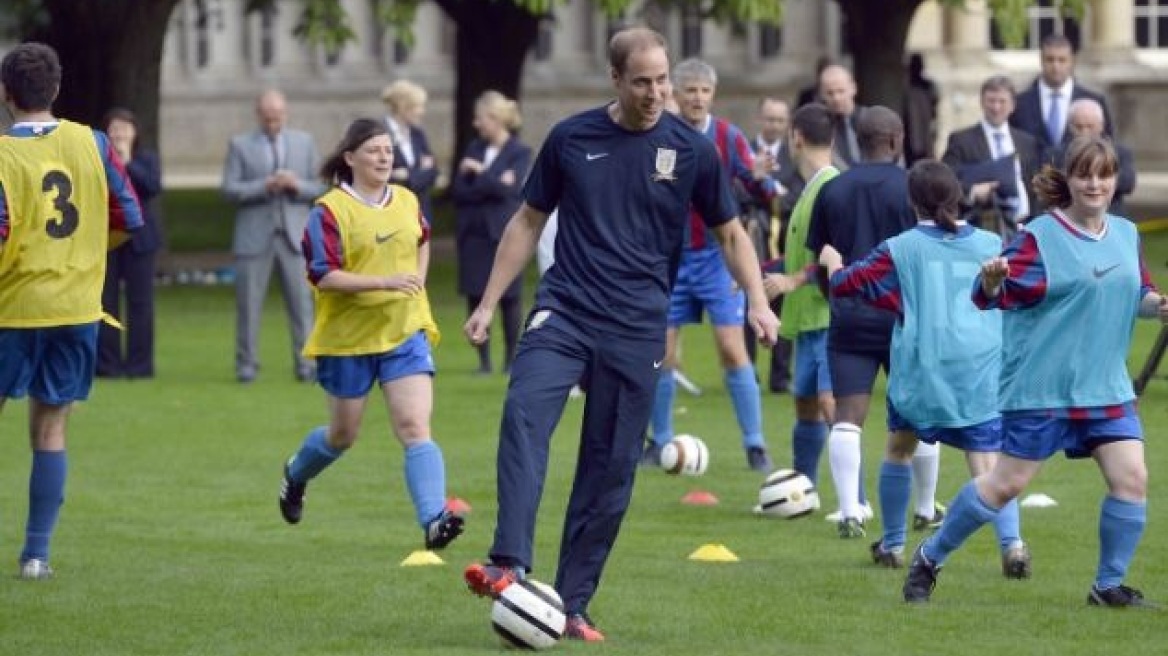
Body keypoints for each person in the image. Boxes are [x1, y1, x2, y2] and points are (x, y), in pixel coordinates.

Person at [460, 27, 779, 641]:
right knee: (525, 412)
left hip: (637, 327)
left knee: (609, 468)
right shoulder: (571, 139)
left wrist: (758, 303)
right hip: (567, 309)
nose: (657, 92)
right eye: (643, 81)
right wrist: (490, 302)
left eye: (662, 80)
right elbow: (527, 221)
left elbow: (732, 234)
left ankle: (573, 603)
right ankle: (508, 563)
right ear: (616, 79)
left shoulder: (691, 151)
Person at [903, 136, 1164, 609]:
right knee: (1005, 485)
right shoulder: (1041, 237)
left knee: (1132, 480)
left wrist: (1158, 306)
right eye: (1085, 174)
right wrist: (991, 281)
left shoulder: (1126, 233)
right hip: (1044, 388)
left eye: (1104, 175)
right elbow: (989, 297)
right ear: (1069, 178)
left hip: (1105, 387)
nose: (1095, 183)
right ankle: (929, 557)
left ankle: (1107, 586)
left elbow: (1138, 293)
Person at [819, 161, 1029, 578]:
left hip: (922, 370)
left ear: (911, 201)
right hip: (977, 370)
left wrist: (832, 263)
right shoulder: (991, 242)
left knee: (899, 448)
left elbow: (848, 286)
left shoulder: (901, 247)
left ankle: (894, 543)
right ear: (958, 196)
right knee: (988, 463)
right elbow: (1017, 293)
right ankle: (1013, 545)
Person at [275, 118, 464, 552]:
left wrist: (414, 280)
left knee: (415, 425)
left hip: (403, 331)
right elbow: (322, 276)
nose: (384, 157)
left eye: (388, 150)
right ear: (350, 158)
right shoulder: (329, 211)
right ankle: (295, 476)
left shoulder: (406, 199)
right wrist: (384, 282)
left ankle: (434, 519)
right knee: (342, 435)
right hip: (348, 340)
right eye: (374, 150)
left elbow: (422, 239)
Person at [0, 42, 143, 579]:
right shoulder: (93, 142)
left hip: (12, 308)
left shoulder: (2, 154)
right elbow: (130, 216)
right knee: (51, 430)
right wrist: (81, 255)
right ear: (56, 89)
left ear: (5, 93)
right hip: (76, 308)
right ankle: (36, 555)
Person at [805, 106, 941, 538]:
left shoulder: (834, 188)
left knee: (848, 413)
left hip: (849, 315)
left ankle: (849, 511)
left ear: (856, 141)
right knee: (919, 410)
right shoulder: (911, 189)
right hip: (905, 316)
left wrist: (840, 300)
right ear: (897, 139)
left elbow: (821, 260)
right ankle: (923, 508)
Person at [644, 58, 779, 473]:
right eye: (690, 90)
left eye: (704, 91)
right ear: (674, 95)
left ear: (712, 95)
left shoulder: (728, 136)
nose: (697, 98)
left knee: (731, 347)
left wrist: (761, 177)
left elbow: (764, 188)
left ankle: (755, 444)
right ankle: (660, 441)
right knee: (662, 352)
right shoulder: (658, 137)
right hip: (669, 260)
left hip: (717, 259)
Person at [221, 89, 325, 383]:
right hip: (254, 236)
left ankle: (307, 365)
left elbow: (320, 187)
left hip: (295, 236)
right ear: (258, 115)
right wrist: (263, 185)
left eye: (277, 118)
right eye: (267, 118)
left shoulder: (304, 143)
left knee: (302, 304)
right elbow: (229, 189)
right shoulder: (239, 145)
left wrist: (296, 185)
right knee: (249, 305)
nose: (272, 123)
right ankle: (247, 365)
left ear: (286, 113)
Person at [761, 102, 838, 487]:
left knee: (830, 405)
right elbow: (799, 255)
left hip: (829, 319)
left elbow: (840, 256)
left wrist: (792, 282)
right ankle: (802, 487)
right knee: (806, 405)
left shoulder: (831, 188)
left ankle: (852, 503)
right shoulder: (809, 189)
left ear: (796, 137)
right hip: (806, 321)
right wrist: (752, 275)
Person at [450, 90, 532, 375]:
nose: (476, 124)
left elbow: (513, 190)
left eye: (480, 118)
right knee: (476, 296)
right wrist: (495, 181)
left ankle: (511, 360)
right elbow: (459, 191)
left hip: (502, 235)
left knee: (510, 298)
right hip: (474, 234)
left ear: (495, 119)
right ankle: (483, 362)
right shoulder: (474, 148)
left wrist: (481, 174)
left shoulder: (519, 152)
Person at [97, 107, 163, 379]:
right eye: (114, 129)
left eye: (124, 129)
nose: (119, 134)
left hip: (140, 240)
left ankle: (140, 365)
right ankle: (107, 365)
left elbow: (152, 186)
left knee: (141, 304)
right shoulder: (98, 158)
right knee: (106, 302)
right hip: (108, 238)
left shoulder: (146, 159)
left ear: (135, 132)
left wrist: (126, 162)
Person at [941, 76, 1040, 240]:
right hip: (981, 228)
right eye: (991, 101)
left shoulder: (1027, 142)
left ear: (1012, 105)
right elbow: (945, 181)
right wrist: (972, 192)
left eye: (1002, 101)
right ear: (982, 102)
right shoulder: (961, 140)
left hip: (1024, 231)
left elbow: (1036, 185)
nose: (996, 107)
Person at [750, 96, 800, 393]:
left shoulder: (794, 159)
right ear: (759, 119)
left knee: (783, 307)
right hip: (752, 239)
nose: (774, 125)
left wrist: (772, 191)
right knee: (751, 303)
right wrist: (759, 186)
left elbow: (796, 197)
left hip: (783, 243)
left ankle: (780, 377)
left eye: (780, 120)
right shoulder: (744, 150)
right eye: (769, 119)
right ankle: (748, 372)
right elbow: (734, 190)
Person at [1009, 34, 1113, 154]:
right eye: (1050, 59)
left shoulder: (1094, 101)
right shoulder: (1020, 103)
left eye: (1062, 60)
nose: (1056, 66)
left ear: (1072, 61)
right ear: (1041, 60)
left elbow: (1107, 148)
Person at [1046, 98, 1136, 216]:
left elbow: (1128, 183)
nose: (1084, 132)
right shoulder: (1054, 154)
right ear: (1070, 126)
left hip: (1111, 214)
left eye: (1090, 126)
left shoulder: (1119, 152)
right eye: (1079, 126)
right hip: (1067, 217)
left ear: (1101, 126)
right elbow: (1048, 185)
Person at [381, 80, 439, 226]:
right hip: (392, 214)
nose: (422, 112)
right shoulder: (381, 133)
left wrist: (408, 176)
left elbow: (433, 172)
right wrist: (420, 172)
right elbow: (384, 176)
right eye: (418, 107)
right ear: (403, 107)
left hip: (420, 215)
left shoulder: (418, 134)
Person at [818, 64, 866, 170]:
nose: (836, 98)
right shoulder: (821, 128)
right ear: (822, 94)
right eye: (830, 93)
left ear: (853, 88)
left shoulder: (870, 119)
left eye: (841, 91)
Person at [903, 53, 939, 166]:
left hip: (923, 133)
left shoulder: (927, 86)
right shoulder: (906, 87)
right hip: (911, 134)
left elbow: (934, 108)